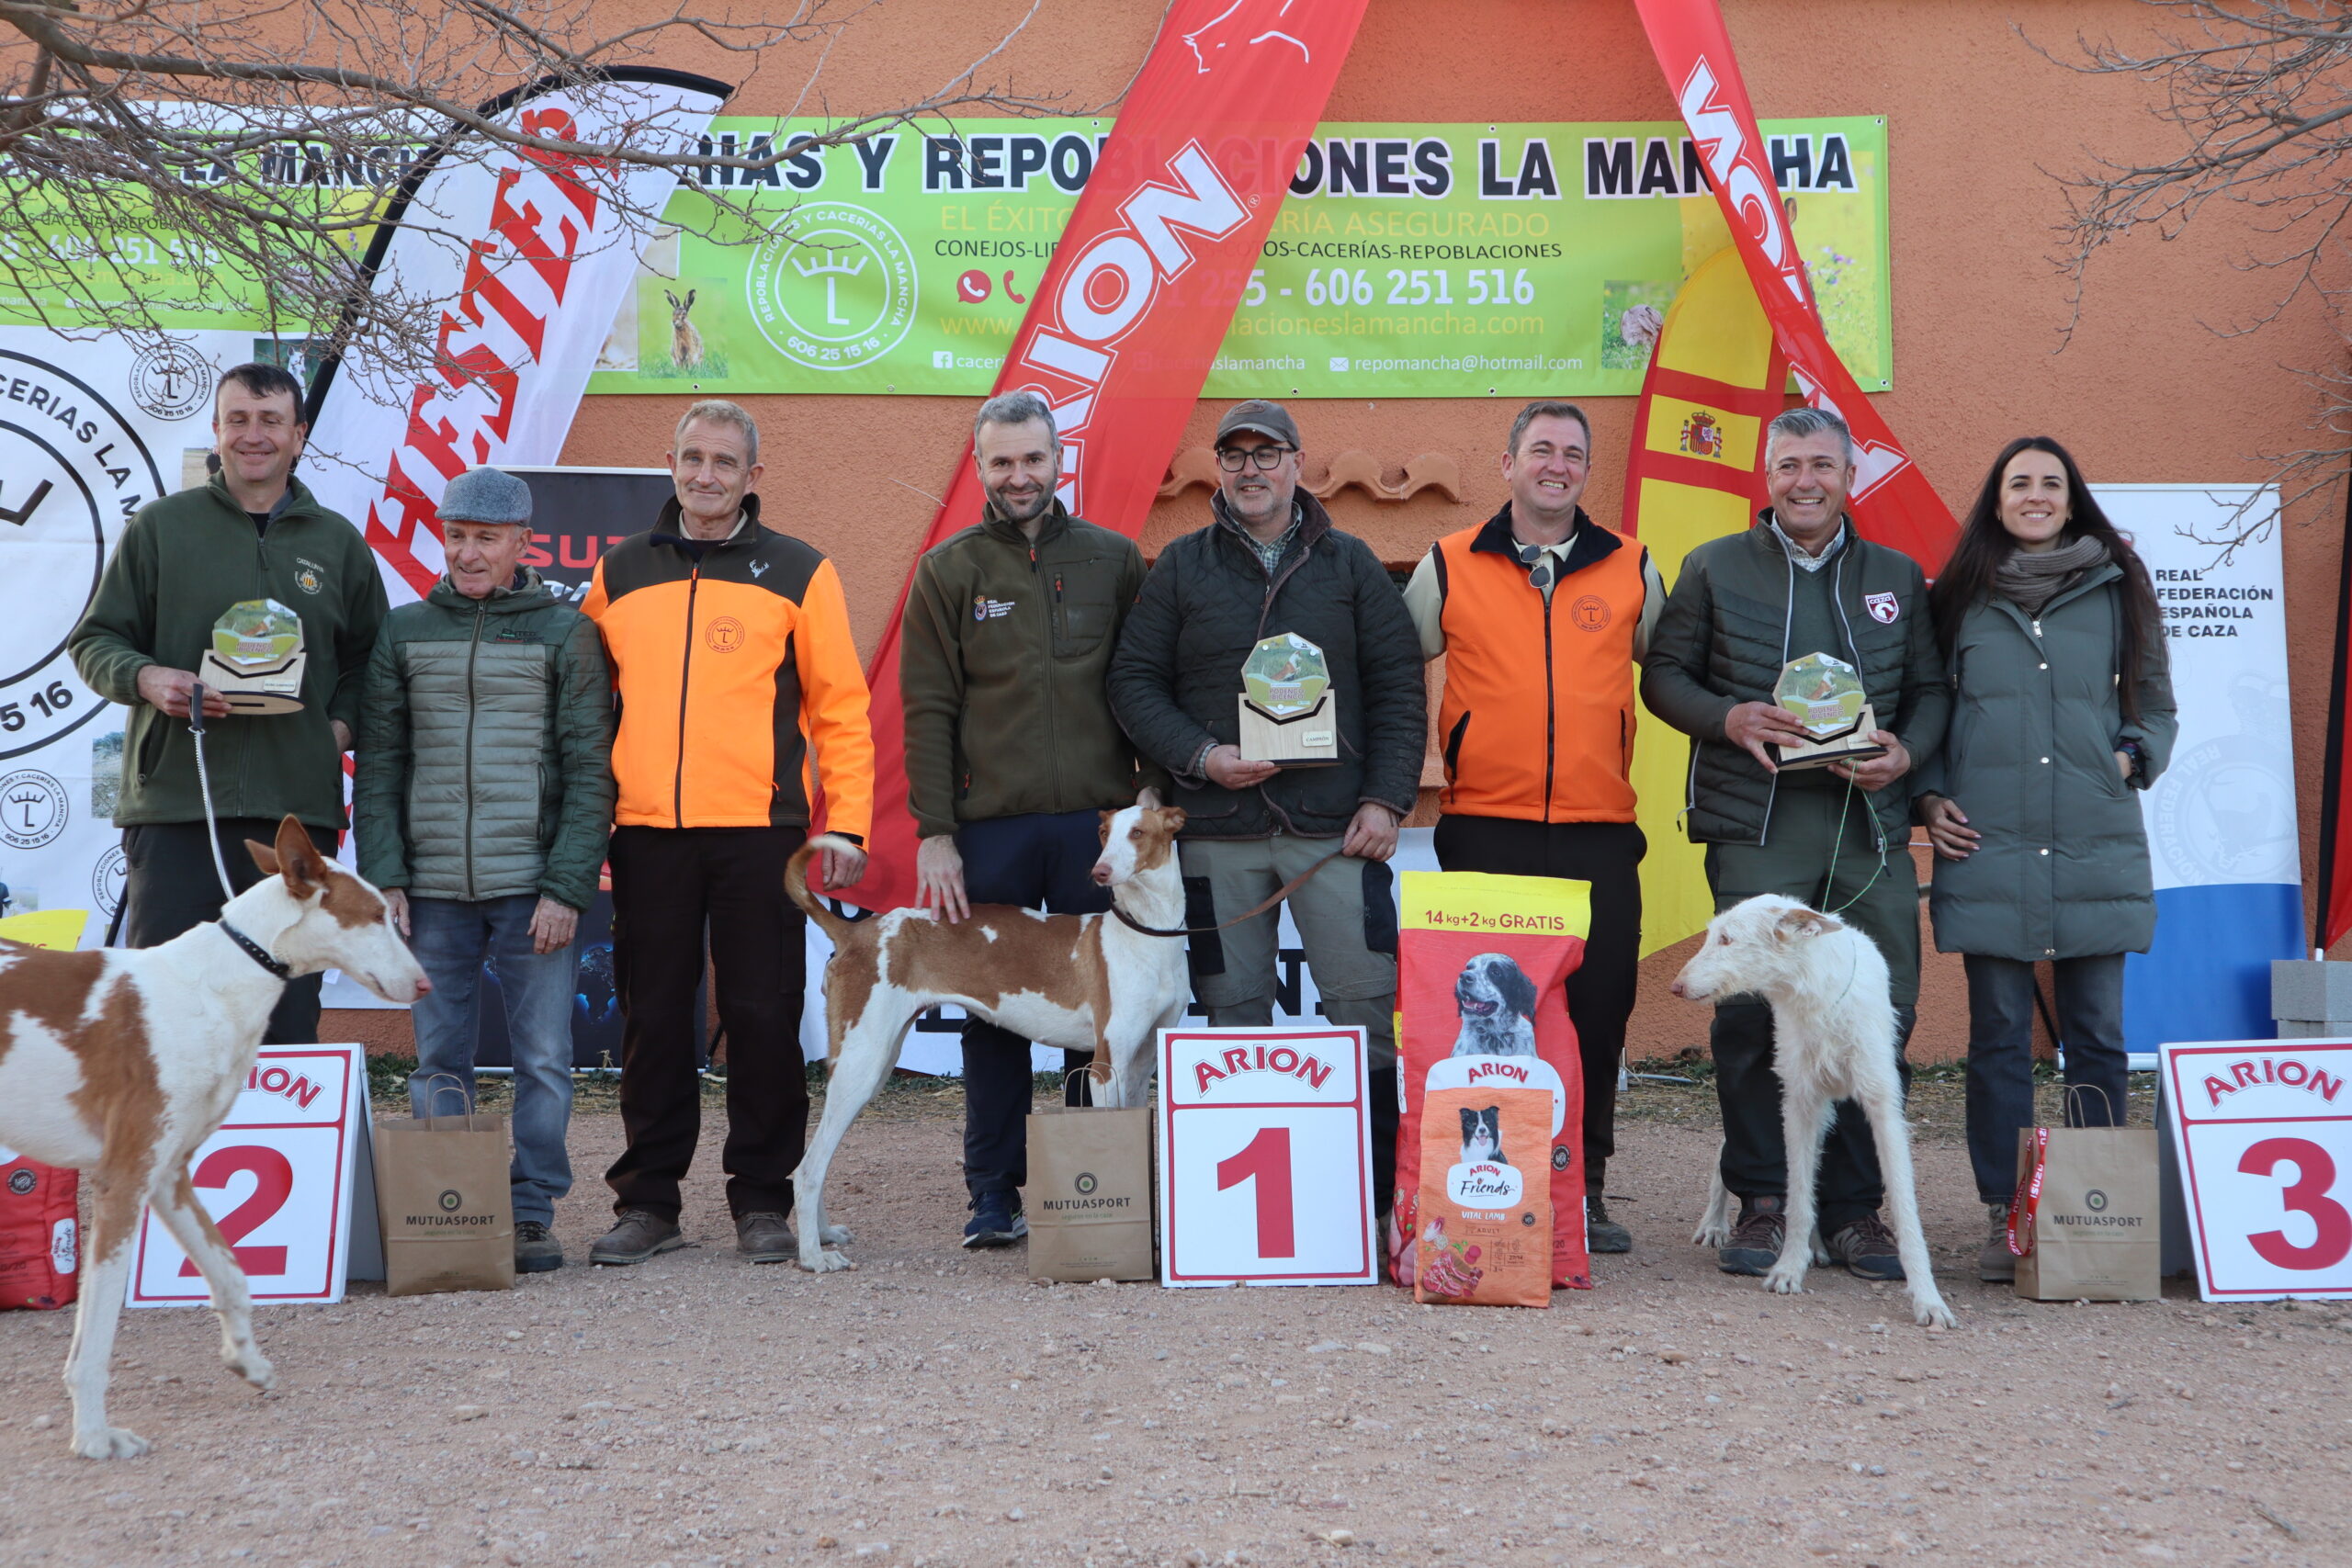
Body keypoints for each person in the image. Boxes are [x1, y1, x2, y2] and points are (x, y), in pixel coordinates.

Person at [1641, 405, 1949, 1281]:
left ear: (1848, 476)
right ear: (1765, 474)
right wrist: (1728, 716)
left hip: (1867, 830)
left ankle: (1855, 1212)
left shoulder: (1896, 575)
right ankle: (1765, 1196)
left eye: (1822, 464)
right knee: (1745, 1018)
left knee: (1877, 1015)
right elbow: (1664, 675)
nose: (1805, 480)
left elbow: (1931, 688)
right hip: (1757, 825)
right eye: (1788, 465)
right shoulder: (1714, 567)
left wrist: (1907, 751)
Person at [1107, 399, 1426, 1216]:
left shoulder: (1351, 563)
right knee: (1231, 1009)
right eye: (1235, 455)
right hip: (1217, 831)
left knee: (1362, 1005)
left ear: (1296, 462)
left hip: (1334, 832)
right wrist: (1202, 757)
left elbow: (1397, 689)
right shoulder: (1181, 566)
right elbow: (1132, 684)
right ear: (1221, 469)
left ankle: (1381, 1200)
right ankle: (1241, 1213)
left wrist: (1387, 798)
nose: (1251, 469)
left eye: (1267, 453)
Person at [581, 400, 874, 1267]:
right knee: (654, 1020)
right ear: (669, 463)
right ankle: (649, 1203)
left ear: (754, 473)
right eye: (691, 457)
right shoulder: (620, 572)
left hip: (761, 833)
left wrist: (847, 822)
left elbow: (840, 711)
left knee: (762, 1015)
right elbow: (590, 711)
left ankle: (762, 1200)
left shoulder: (798, 571)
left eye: (723, 461)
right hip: (648, 834)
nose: (704, 474)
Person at [900, 391, 1163, 1248]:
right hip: (994, 831)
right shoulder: (948, 571)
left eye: (1034, 459)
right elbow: (928, 708)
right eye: (1002, 462)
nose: (1020, 476)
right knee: (994, 1019)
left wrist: (1151, 799)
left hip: (1097, 831)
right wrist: (937, 831)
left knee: (1099, 1019)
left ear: (1060, 461)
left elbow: (1144, 688)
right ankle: (993, 1193)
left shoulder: (1116, 561)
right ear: (980, 467)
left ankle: (1092, 1189)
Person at [1401, 400, 1665, 1254]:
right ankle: (1492, 1183)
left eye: (1573, 454)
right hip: (1486, 829)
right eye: (1541, 450)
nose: (1558, 465)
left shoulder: (1632, 564)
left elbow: (1682, 673)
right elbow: (1386, 664)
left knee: (1597, 1013)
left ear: (1586, 470)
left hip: (1598, 833)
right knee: (1492, 1022)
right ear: (1507, 462)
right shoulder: (1448, 563)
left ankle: (1581, 1187)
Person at [1915, 437, 2175, 1283]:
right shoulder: (1955, 597)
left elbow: (2156, 703)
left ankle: (2094, 1212)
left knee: (2096, 1034)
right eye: (2018, 482)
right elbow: (1928, 711)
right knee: (1996, 1036)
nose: (2034, 495)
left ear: (2072, 499)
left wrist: (2132, 756)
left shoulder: (2120, 586)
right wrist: (1928, 796)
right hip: (1987, 838)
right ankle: (2007, 1213)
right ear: (1996, 501)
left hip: (2093, 836)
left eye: (2050, 483)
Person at [68, 361, 387, 1043]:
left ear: (298, 435)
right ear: (216, 431)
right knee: (164, 1011)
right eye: (237, 419)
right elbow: (96, 641)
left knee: (286, 1010)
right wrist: (149, 679)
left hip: (293, 820)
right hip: (178, 803)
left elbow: (372, 663)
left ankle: (279, 1151)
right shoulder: (160, 528)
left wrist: (335, 729)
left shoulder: (337, 544)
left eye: (270, 421)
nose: (253, 435)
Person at [354, 467, 616, 1275]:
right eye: (457, 535)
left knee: (542, 1057)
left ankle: (532, 1211)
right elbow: (381, 765)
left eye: (486, 538)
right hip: (430, 892)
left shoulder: (565, 633)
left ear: (522, 543)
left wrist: (567, 887)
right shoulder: (402, 631)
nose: (469, 553)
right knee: (438, 1058)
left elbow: (589, 770)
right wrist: (387, 876)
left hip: (532, 889)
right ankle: (446, 1206)